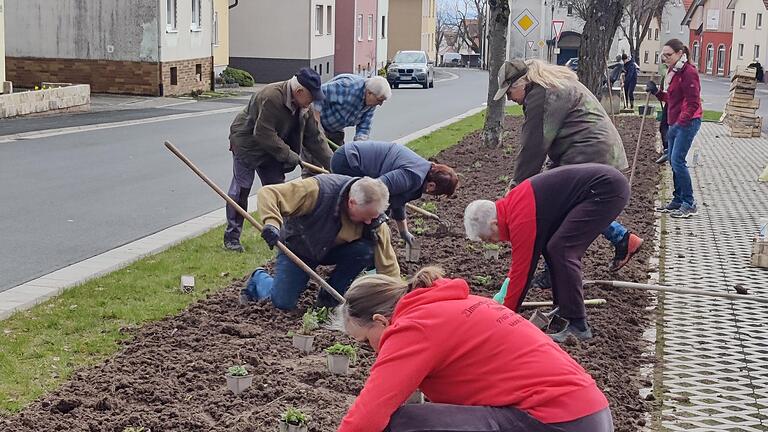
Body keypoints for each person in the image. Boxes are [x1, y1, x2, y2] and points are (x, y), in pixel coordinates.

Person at [337, 266, 614, 432]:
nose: (372, 350)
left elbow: (366, 419)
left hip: (555, 422)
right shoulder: (454, 304)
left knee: (397, 425)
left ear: (380, 320)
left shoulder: (414, 326)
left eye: (366, 340)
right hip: (587, 415)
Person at [493, 58, 643, 277]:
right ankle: (622, 239)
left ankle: (553, 271)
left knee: (553, 207)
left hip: (588, 152)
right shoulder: (551, 84)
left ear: (521, 83)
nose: (509, 99)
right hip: (593, 149)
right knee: (573, 207)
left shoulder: (542, 95)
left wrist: (516, 189)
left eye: (509, 93)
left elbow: (533, 148)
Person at [463, 164, 630, 341]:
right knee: (554, 248)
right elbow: (519, 269)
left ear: (493, 224)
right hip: (599, 187)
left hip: (605, 189)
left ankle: (578, 325)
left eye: (488, 238)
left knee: (563, 250)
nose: (492, 242)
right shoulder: (512, 208)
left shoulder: (520, 218)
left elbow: (523, 272)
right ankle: (565, 311)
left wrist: (504, 317)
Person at [241, 175, 400, 310]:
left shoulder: (375, 222)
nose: (369, 221)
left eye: (374, 216)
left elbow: (388, 265)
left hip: (332, 250)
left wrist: (394, 299)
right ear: (352, 202)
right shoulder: (318, 191)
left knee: (365, 251)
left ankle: (329, 300)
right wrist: (272, 223)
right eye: (367, 215)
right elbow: (268, 193)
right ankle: (258, 278)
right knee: (283, 303)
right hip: (300, 247)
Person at [224, 67, 333, 252]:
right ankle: (232, 238)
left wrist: (334, 165)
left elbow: (315, 138)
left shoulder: (304, 107)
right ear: (299, 92)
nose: (313, 102)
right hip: (247, 145)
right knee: (241, 189)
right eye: (311, 97)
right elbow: (263, 133)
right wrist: (289, 154)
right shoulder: (271, 97)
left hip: (273, 150)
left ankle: (282, 236)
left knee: (280, 190)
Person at [330, 141, 458, 245]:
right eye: (436, 194)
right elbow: (375, 189)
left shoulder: (421, 172)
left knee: (376, 215)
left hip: (353, 160)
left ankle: (364, 249)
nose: (432, 196)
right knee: (365, 209)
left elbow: (398, 198)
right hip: (349, 161)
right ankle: (345, 243)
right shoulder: (413, 176)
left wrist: (403, 232)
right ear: (432, 185)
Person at [646, 38, 702, 218]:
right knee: (672, 159)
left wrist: (680, 123)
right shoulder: (673, 71)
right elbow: (671, 99)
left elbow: (693, 103)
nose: (665, 58)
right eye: (663, 55)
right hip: (674, 121)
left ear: (680, 54)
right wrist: (656, 93)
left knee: (677, 160)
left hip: (688, 122)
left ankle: (689, 202)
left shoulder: (688, 72)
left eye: (669, 55)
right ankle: (678, 199)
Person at [314, 74, 392, 146]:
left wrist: (359, 147)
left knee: (341, 157)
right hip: (316, 125)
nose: (380, 104)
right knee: (322, 156)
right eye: (379, 100)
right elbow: (319, 93)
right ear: (369, 93)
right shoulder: (347, 87)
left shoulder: (370, 104)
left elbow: (364, 128)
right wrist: (318, 126)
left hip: (335, 130)